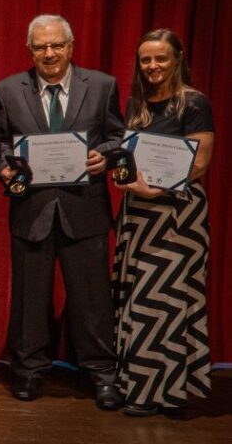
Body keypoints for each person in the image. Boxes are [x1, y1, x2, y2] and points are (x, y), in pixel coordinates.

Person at [0, 14, 124, 410]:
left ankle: (101, 373)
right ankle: (29, 371)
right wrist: (5, 166)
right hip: (31, 210)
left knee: (91, 299)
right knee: (29, 300)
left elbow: (117, 135)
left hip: (84, 209)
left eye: (56, 46)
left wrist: (104, 156)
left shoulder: (102, 85)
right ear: (29, 50)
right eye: (40, 47)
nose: (48, 53)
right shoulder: (6, 90)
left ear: (70, 47)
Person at [113, 29, 214, 417]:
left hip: (178, 213)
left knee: (169, 300)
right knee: (136, 299)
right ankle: (137, 384)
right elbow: (125, 157)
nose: (152, 66)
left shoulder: (194, 102)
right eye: (145, 60)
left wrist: (158, 189)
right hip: (137, 212)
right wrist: (121, 174)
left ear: (177, 58)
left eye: (160, 58)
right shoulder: (135, 104)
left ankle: (168, 392)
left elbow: (200, 162)